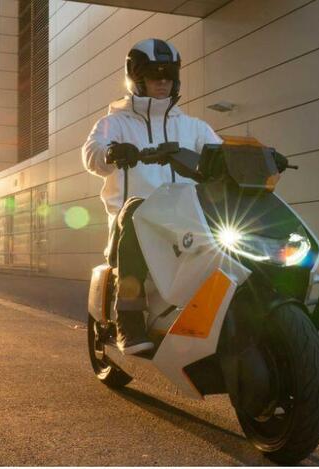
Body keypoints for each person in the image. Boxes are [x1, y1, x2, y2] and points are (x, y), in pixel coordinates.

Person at [82, 38, 223, 355]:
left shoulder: (193, 127)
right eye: (153, 75)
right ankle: (129, 318)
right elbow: (92, 155)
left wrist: (253, 159)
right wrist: (111, 152)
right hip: (133, 224)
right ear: (137, 78)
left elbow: (221, 154)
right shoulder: (114, 123)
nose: (162, 82)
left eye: (168, 75)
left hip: (184, 220)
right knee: (136, 210)